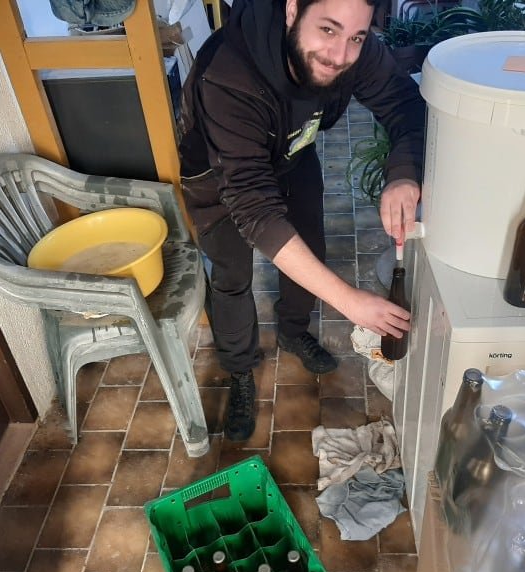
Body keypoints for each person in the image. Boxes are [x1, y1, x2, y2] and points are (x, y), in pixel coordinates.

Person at [179, 0, 425, 441]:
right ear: (292, 10)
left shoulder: (353, 49)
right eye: (327, 30)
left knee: (307, 247)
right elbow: (255, 211)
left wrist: (403, 173)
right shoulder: (229, 75)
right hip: (220, 178)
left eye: (356, 37)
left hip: (292, 153)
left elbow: (406, 103)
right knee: (231, 277)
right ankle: (239, 371)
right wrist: (349, 301)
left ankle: (294, 331)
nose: (340, 56)